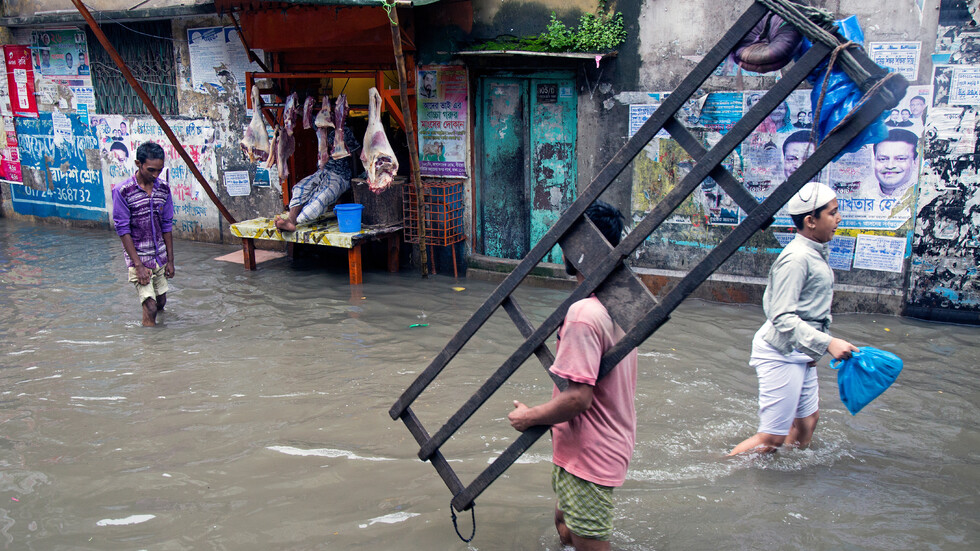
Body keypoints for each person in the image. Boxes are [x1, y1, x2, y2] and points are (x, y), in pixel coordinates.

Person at [508, 201, 638, 551]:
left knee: (587, 542)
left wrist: (528, 417)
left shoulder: (583, 313)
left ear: (583, 248)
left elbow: (580, 398)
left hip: (590, 454)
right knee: (564, 526)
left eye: (568, 240)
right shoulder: (619, 302)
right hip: (597, 445)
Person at [729, 183, 858, 456]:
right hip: (781, 351)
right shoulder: (797, 258)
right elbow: (781, 316)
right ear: (811, 221)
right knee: (771, 438)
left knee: (806, 425)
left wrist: (817, 347)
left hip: (801, 350)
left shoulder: (814, 252)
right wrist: (828, 343)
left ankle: (777, 478)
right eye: (833, 213)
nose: (839, 219)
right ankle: (720, 468)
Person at [112, 142, 174, 327]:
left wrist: (170, 260)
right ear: (138, 163)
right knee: (151, 307)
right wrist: (138, 265)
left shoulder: (163, 189)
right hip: (138, 257)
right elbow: (123, 230)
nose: (156, 175)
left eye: (159, 170)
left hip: (160, 256)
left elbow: (167, 225)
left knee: (161, 301)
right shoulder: (123, 191)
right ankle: (151, 351)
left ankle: (162, 336)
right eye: (151, 170)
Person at [274, 125, 360, 232]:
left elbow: (358, 152)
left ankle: (295, 222)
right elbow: (303, 113)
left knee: (320, 198)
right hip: (322, 171)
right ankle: (290, 220)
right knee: (300, 188)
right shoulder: (320, 127)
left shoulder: (344, 130)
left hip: (341, 175)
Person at [864, 128, 918, 198]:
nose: (890, 166)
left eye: (900, 159)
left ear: (915, 162)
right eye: (882, 159)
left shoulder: (923, 195)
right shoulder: (862, 191)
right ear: (874, 161)